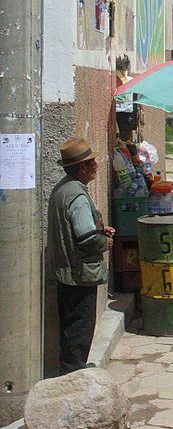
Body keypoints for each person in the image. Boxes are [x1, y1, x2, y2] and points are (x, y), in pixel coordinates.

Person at [47, 138, 115, 375]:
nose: (97, 165)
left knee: (71, 325)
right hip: (78, 273)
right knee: (79, 327)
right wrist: (103, 242)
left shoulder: (63, 189)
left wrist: (99, 228)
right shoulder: (76, 196)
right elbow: (86, 241)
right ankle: (74, 375)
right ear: (82, 168)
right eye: (92, 163)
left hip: (66, 271)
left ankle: (73, 369)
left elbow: (73, 228)